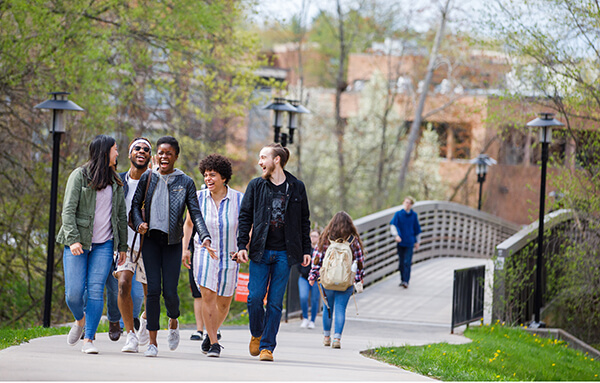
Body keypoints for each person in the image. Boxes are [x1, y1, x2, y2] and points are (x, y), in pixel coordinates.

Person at [130, 136, 215, 357]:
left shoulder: (185, 182)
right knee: (153, 290)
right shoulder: (148, 177)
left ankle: (174, 320)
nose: (164, 156)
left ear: (176, 156)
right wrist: (139, 223)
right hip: (150, 240)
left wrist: (204, 236)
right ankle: (152, 342)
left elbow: (194, 212)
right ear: (156, 155)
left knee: (169, 292)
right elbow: (134, 206)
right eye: (160, 152)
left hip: (172, 243)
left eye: (169, 153)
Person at [236, 143, 312, 362]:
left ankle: (267, 347)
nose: (260, 162)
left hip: (284, 254)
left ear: (276, 160)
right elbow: (245, 217)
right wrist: (242, 245)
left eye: (263, 157)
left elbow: (304, 221)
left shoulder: (297, 187)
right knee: (254, 298)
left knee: (276, 303)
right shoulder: (256, 185)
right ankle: (257, 333)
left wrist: (306, 249)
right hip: (260, 251)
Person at [56, 134, 128, 354]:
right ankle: (80, 319)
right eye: (115, 149)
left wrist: (122, 246)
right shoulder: (79, 176)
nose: (117, 153)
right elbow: (68, 210)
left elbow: (121, 216)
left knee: (96, 291)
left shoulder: (116, 181)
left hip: (104, 245)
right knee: (74, 294)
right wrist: (74, 238)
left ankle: (89, 339)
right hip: (78, 244)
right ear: (105, 151)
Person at [182, 154, 243, 358]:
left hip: (230, 255)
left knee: (224, 302)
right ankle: (214, 343)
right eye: (206, 175)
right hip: (205, 253)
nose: (208, 179)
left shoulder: (238, 199)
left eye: (213, 175)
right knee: (208, 296)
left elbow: (247, 228)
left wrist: (244, 248)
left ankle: (210, 332)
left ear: (224, 177)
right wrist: (185, 248)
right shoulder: (198, 198)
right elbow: (189, 224)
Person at [115, 137, 153, 353]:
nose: (141, 151)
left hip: (148, 244)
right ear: (129, 154)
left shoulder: (154, 180)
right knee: (123, 284)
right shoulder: (118, 181)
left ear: (150, 156)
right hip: (124, 244)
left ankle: (146, 319)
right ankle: (130, 335)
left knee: (152, 293)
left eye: (146, 149)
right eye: (136, 148)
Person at [308, 211, 365, 349]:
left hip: (327, 280)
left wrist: (313, 275)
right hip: (346, 282)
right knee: (340, 309)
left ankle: (326, 337)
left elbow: (317, 257)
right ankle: (337, 339)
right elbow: (359, 261)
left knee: (328, 308)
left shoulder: (326, 238)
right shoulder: (353, 240)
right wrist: (359, 278)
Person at [389, 196, 421, 288]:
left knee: (407, 262)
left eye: (409, 203)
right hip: (401, 241)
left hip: (410, 241)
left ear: (411, 205)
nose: (407, 205)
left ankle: (406, 281)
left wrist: (417, 242)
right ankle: (402, 279)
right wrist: (396, 235)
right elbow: (393, 225)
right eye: (406, 202)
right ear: (403, 203)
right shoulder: (398, 214)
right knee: (401, 262)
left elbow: (417, 229)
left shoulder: (414, 215)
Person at [298, 229, 320, 329]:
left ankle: (312, 320)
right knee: (303, 297)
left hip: (316, 279)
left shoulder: (320, 250)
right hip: (304, 277)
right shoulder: (304, 248)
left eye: (315, 236)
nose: (313, 238)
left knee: (315, 299)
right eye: (311, 236)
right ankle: (305, 318)